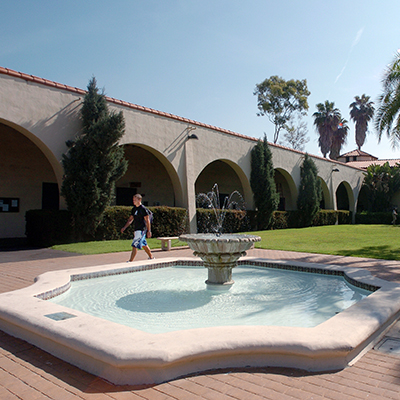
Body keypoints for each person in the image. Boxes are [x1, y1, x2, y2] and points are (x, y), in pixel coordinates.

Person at [121, 194, 154, 261]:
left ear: (139, 200)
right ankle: (151, 257)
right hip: (136, 229)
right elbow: (130, 219)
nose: (133, 201)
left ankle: (130, 260)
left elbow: (147, 220)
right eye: (133, 200)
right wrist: (125, 227)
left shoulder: (143, 209)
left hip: (142, 230)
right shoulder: (134, 209)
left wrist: (149, 230)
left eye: (135, 200)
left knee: (135, 244)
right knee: (144, 244)